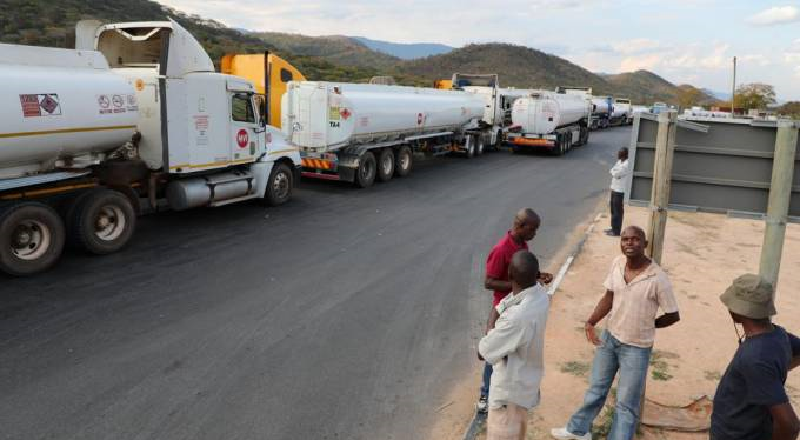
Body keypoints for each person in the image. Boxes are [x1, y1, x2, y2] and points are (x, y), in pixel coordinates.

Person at [552, 226, 680, 440]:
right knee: (596, 391)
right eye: (625, 239)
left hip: (637, 349)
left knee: (626, 405)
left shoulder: (658, 278)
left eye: (635, 239)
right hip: (609, 339)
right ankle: (578, 430)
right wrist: (591, 321)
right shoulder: (617, 264)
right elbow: (609, 297)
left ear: (645, 244)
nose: (629, 243)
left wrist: (650, 324)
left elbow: (673, 314)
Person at [478, 209, 553, 413]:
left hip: (522, 305)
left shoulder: (522, 244)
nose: (535, 233)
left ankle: (508, 393)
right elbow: (489, 282)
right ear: (520, 226)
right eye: (533, 229)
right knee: (496, 352)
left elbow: (524, 272)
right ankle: (485, 394)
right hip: (505, 309)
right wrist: (516, 285)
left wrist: (537, 277)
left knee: (512, 353)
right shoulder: (502, 249)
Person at [711, 273, 800, 440]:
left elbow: (790, 425)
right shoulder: (778, 335)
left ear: (738, 311)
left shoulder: (755, 359)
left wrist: (766, 375)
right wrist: (771, 375)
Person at [479, 251, 550, 440]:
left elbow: (483, 351)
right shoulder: (540, 294)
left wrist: (490, 325)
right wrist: (496, 314)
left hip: (507, 397)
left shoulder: (516, 318)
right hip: (525, 387)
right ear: (537, 275)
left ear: (509, 275)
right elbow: (503, 304)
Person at [606, 147, 630, 237]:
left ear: (624, 154)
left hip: (620, 190)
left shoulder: (627, 164)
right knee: (613, 210)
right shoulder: (619, 162)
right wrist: (614, 172)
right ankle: (613, 227)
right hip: (614, 188)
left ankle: (616, 231)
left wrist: (614, 172)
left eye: (620, 153)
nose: (618, 154)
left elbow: (616, 173)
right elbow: (612, 170)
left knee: (617, 211)